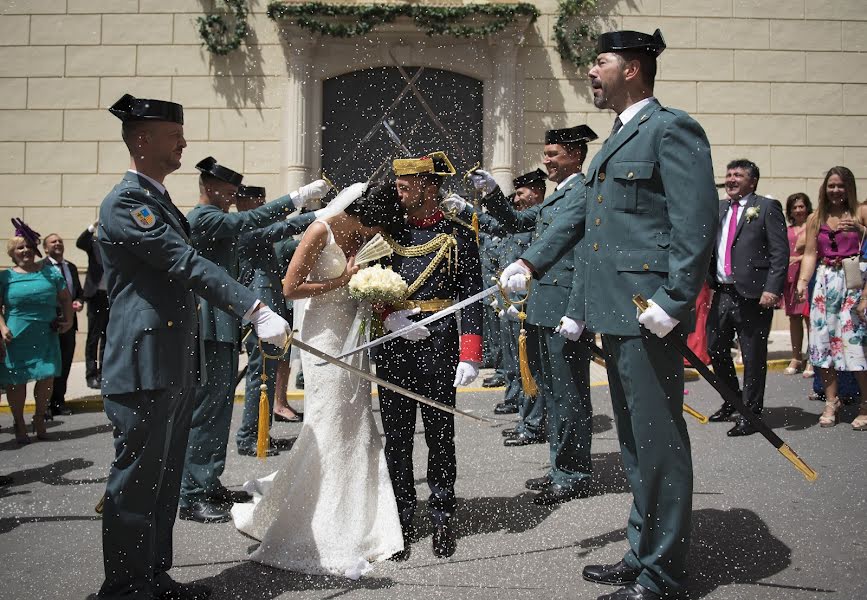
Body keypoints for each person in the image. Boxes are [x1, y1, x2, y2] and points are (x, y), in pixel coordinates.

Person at [499, 29, 718, 600]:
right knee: (633, 444)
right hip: (616, 315)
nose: (591, 73)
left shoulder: (671, 128)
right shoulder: (618, 137)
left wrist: (675, 302)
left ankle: (663, 574)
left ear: (635, 68)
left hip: (648, 313)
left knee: (659, 443)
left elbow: (697, 222)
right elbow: (581, 221)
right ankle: (641, 553)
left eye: (600, 62)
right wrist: (530, 260)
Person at [96, 93, 292, 600]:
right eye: (172, 133)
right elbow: (182, 262)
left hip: (170, 360)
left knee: (161, 481)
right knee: (137, 482)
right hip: (143, 361)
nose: (182, 141)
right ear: (142, 141)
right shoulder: (127, 202)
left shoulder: (155, 198)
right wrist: (255, 307)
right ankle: (123, 586)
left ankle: (152, 577)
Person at [231, 183, 406, 577]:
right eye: (368, 228)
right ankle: (316, 519)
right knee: (328, 422)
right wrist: (342, 281)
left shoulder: (367, 232)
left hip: (353, 328)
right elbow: (290, 288)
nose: (368, 237)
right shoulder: (320, 231)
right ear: (359, 213)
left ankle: (366, 520)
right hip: (322, 332)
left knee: (356, 420)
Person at [179, 157, 327, 524]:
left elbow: (268, 233)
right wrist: (296, 198)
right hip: (208, 326)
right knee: (206, 412)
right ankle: (193, 494)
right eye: (229, 192)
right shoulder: (204, 218)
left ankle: (208, 483)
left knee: (217, 410)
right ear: (211, 187)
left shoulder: (219, 219)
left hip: (222, 325)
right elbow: (248, 223)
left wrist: (321, 216)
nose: (233, 198)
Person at [464, 126, 597, 508]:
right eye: (546, 153)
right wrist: (491, 193)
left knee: (569, 394)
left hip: (563, 312)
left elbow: (578, 256)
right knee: (552, 393)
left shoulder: (582, 193)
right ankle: (561, 466)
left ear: (574, 155)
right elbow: (518, 222)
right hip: (542, 308)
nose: (546, 160)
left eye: (553, 154)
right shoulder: (560, 197)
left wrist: (578, 311)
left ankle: (573, 473)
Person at [376, 152, 483, 559]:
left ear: (429, 187)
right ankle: (401, 517)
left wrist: (470, 353)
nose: (399, 192)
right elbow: (367, 285)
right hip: (392, 344)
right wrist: (387, 317)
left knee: (440, 436)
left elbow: (472, 297)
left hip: (439, 342)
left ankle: (442, 514)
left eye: (406, 186)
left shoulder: (457, 234)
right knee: (398, 438)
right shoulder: (388, 231)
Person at [705, 159, 788, 436]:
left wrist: (772, 289)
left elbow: (780, 252)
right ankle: (732, 401)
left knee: (752, 356)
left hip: (754, 295)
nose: (730, 179)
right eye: (728, 174)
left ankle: (751, 414)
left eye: (737, 175)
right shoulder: (719, 207)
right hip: (723, 291)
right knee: (715, 347)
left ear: (752, 181)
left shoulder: (766, 207)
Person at [233, 184, 315, 456]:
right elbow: (279, 234)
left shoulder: (254, 230)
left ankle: (260, 433)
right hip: (259, 315)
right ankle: (249, 437)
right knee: (260, 377)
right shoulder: (245, 229)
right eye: (260, 201)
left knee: (263, 377)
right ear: (246, 203)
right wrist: (317, 216)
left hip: (270, 310)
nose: (264, 206)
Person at [797, 166, 867, 429]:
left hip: (853, 281)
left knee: (854, 344)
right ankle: (831, 401)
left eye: (840, 186)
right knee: (821, 343)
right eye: (831, 186)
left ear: (849, 187)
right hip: (825, 283)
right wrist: (803, 282)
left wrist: (860, 230)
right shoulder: (817, 217)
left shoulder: (861, 211)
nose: (835, 191)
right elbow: (811, 253)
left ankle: (865, 403)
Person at [0, 224, 73, 444]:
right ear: (13, 252)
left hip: (45, 334)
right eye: (20, 248)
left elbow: (65, 298)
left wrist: (68, 320)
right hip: (16, 335)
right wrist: (2, 327)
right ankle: (19, 423)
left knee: (47, 377)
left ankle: (39, 420)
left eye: (29, 247)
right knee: (16, 380)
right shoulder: (5, 277)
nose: (25, 251)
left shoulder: (50, 272)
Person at [43, 233, 84, 417]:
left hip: (70, 323)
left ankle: (59, 402)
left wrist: (79, 301)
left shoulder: (71, 267)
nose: (57, 243)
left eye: (60, 240)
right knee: (49, 365)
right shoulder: (42, 268)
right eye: (53, 241)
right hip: (50, 323)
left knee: (65, 363)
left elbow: (78, 292)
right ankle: (44, 405)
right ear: (45, 248)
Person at [782, 192, 813, 376]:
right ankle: (796, 356)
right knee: (794, 318)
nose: (798, 210)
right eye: (795, 207)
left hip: (808, 276)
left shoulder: (813, 227)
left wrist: (800, 257)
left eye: (801, 206)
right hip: (791, 278)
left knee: (810, 319)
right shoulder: (786, 231)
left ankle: (812, 358)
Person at [76, 221, 108, 390]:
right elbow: (80, 242)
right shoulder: (94, 242)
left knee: (108, 338)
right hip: (96, 296)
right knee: (93, 338)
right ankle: (91, 375)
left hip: (111, 297)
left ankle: (104, 373)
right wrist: (92, 226)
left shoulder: (116, 243)